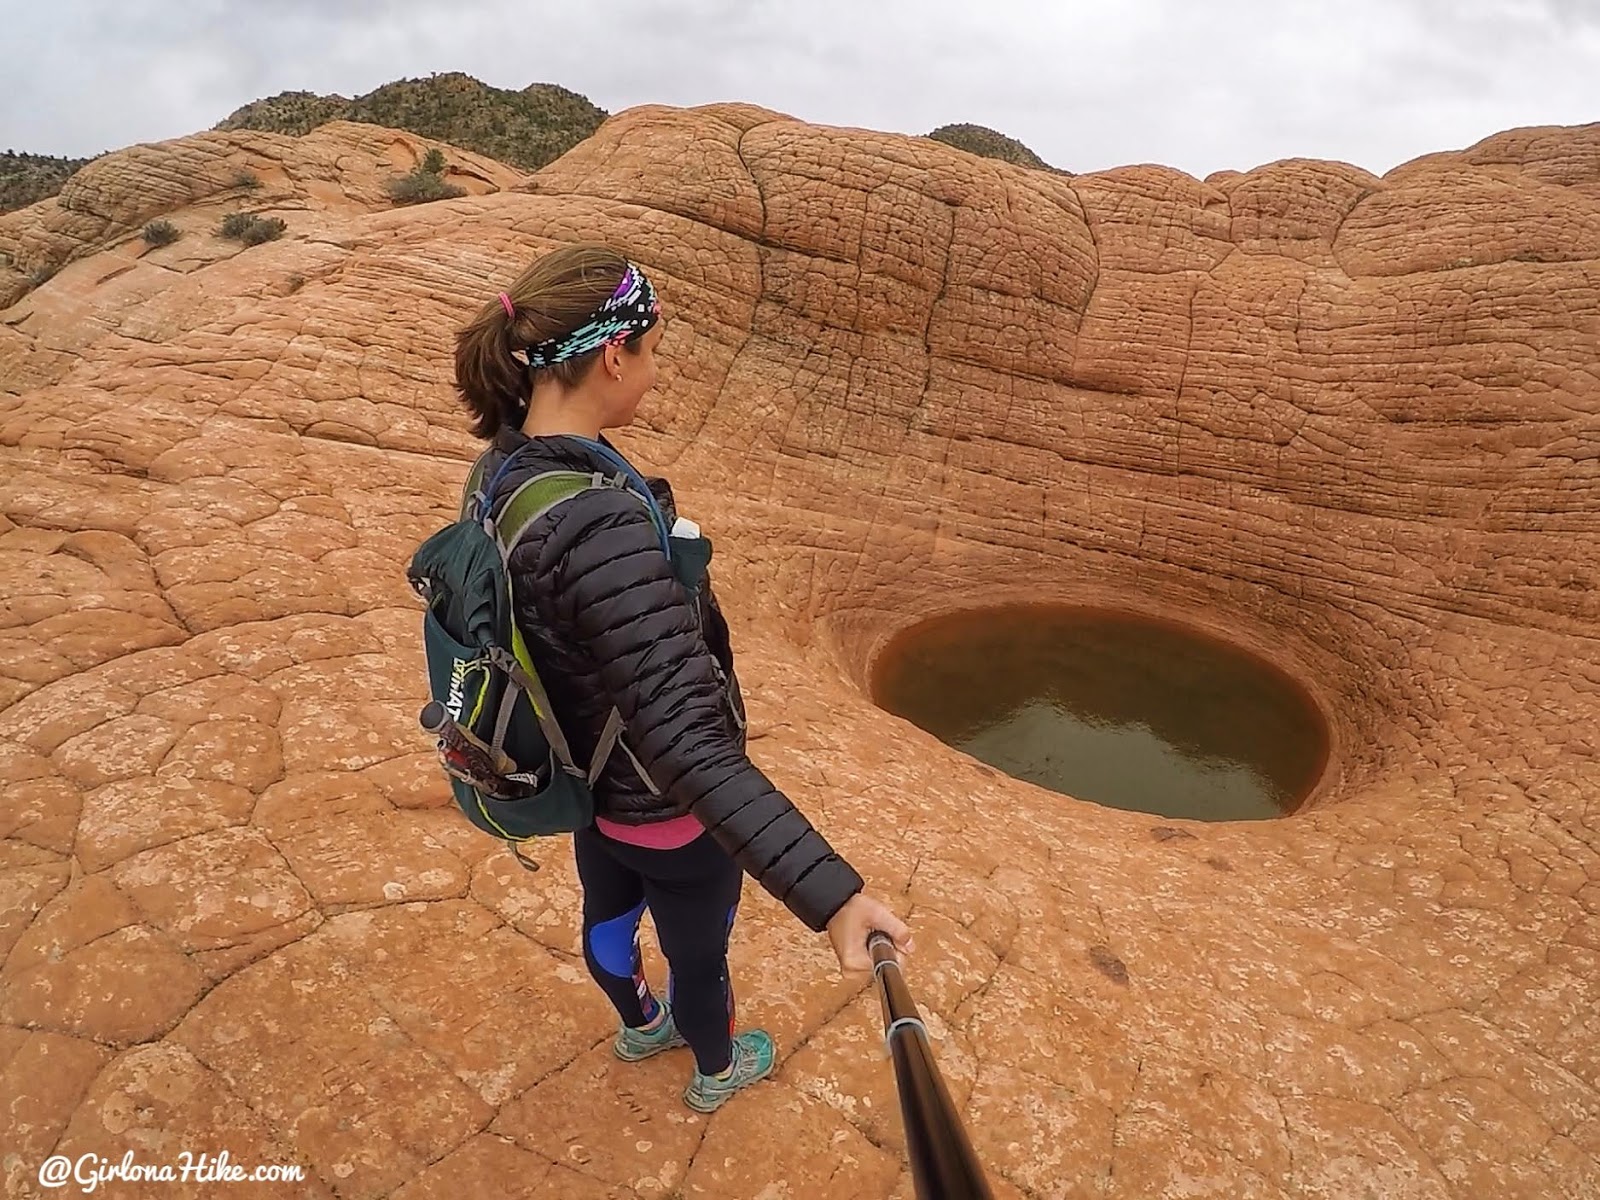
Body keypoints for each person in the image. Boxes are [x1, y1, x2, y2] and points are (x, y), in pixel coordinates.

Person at [452, 243, 914, 1113]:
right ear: (614, 353)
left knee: (610, 920)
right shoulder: (596, 524)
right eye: (654, 350)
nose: (655, 371)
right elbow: (687, 738)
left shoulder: (504, 475)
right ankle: (715, 1069)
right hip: (665, 810)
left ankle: (638, 1025)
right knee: (699, 953)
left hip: (585, 784)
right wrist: (836, 899)